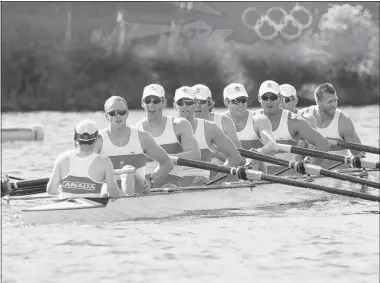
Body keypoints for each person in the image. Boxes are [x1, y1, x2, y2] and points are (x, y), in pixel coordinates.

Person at [94, 96, 174, 194]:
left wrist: (150, 181)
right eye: (113, 113)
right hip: (112, 191)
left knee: (127, 171)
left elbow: (167, 162)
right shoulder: (98, 140)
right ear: (107, 116)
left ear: (127, 114)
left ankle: (127, 203)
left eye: (121, 112)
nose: (117, 116)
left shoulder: (142, 137)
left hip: (137, 189)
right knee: (106, 188)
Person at [134, 84, 201, 187]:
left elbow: (195, 155)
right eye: (148, 100)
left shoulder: (179, 125)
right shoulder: (135, 129)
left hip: (172, 182)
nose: (151, 104)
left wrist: (163, 158)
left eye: (156, 100)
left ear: (164, 103)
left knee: (169, 186)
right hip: (144, 184)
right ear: (143, 103)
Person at [174, 86, 242, 183]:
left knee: (215, 161)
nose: (185, 106)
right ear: (174, 105)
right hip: (171, 185)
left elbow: (237, 157)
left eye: (189, 103)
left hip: (202, 183)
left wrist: (215, 182)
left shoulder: (213, 126)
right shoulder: (165, 126)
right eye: (180, 103)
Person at [257, 80, 330, 169]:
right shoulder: (255, 118)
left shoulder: (303, 119)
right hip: (261, 173)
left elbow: (321, 144)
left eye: (286, 99)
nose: (282, 103)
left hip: (292, 173)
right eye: (265, 97)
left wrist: (311, 166)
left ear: (295, 101)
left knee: (301, 143)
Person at [46, 119, 121, 198]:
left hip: (66, 206)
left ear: (76, 138)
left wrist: (68, 189)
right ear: (96, 139)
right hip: (94, 208)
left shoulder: (62, 158)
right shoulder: (104, 162)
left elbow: (51, 190)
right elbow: (115, 194)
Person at [300, 83, 364, 168]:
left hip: (339, 173)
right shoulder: (304, 115)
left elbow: (360, 156)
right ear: (318, 102)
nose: (334, 105)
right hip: (312, 172)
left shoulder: (344, 122)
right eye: (330, 102)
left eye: (335, 100)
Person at [223, 83, 277, 173]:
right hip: (229, 167)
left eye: (243, 100)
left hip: (254, 169)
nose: (240, 105)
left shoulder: (258, 120)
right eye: (236, 101)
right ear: (226, 102)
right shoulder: (218, 121)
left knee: (254, 159)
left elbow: (272, 146)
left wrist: (257, 152)